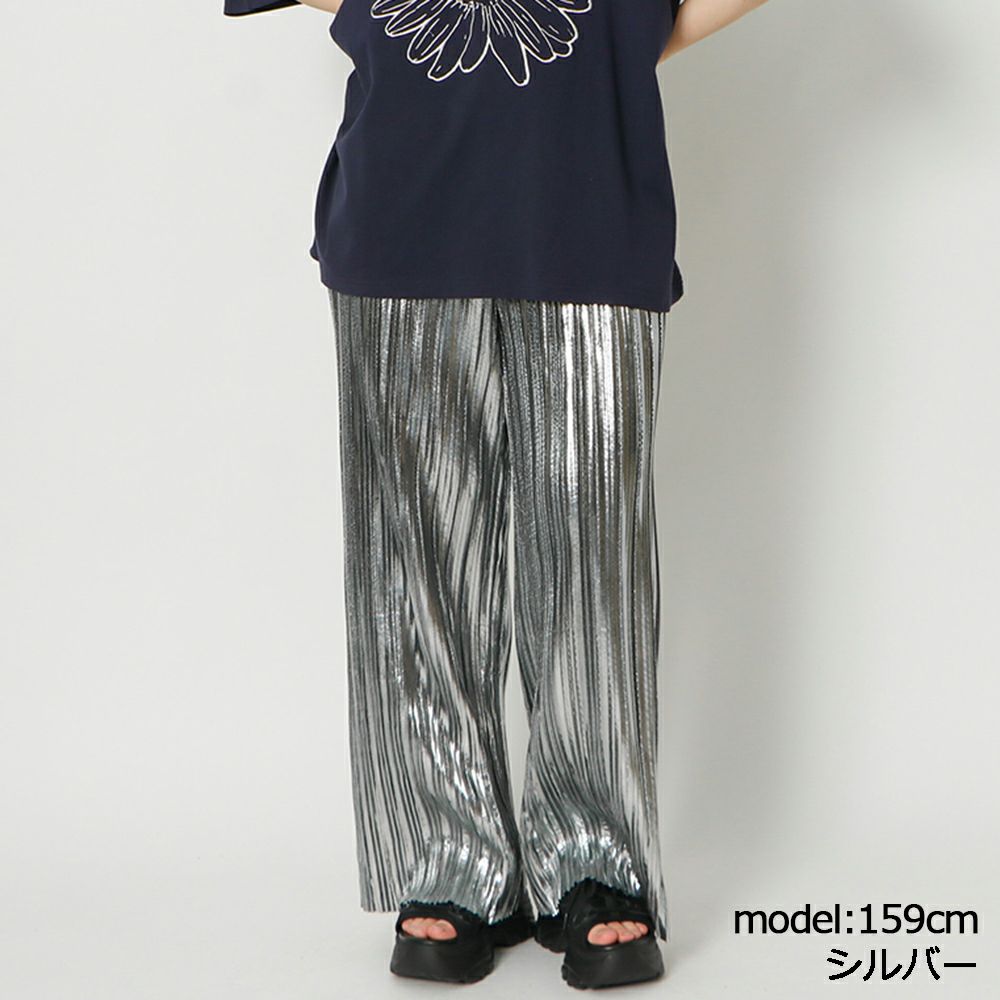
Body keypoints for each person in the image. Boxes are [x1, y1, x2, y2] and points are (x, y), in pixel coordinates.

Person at [223, 0, 771, 988]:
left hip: (592, 197)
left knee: (591, 552)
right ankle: (452, 857)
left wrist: (631, 30)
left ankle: (595, 861)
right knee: (418, 552)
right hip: (404, 194)